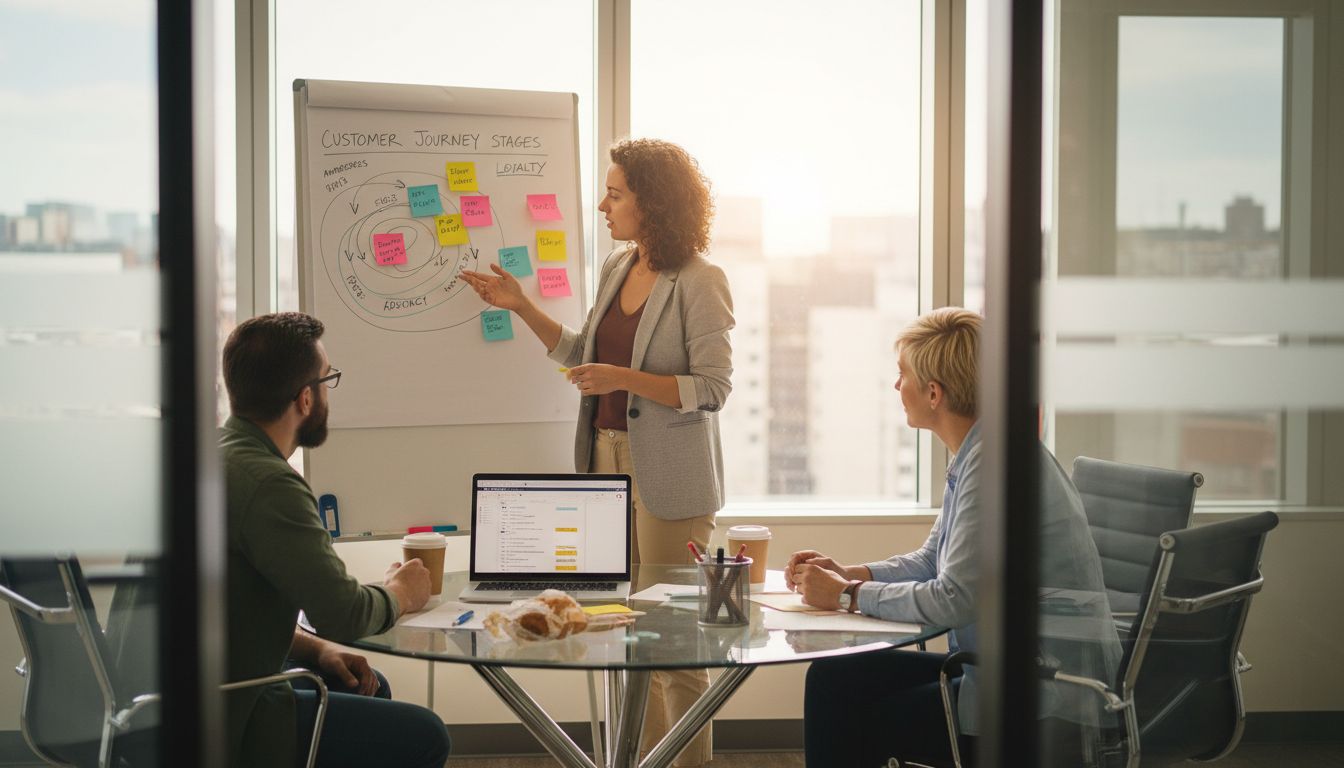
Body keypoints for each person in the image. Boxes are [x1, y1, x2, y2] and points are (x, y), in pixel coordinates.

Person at [461, 138, 733, 766]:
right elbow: (586, 354)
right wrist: (523, 306)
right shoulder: (617, 266)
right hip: (603, 465)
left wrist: (624, 379)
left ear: (654, 203)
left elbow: (712, 388)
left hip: (667, 476)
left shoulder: (700, 279)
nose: (605, 206)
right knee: (627, 637)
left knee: (674, 648)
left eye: (616, 194)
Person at [787, 308, 1120, 767]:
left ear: (934, 393)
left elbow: (953, 598)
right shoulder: (983, 451)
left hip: (1042, 698)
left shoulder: (991, 466)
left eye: (901, 374)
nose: (895, 386)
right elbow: (932, 561)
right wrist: (852, 574)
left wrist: (847, 596)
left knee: (854, 717)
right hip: (1005, 670)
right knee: (833, 678)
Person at [220, 312, 451, 768]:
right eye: (328, 380)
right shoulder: (268, 484)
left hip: (168, 695)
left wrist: (318, 649)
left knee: (365, 683)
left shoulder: (211, 456)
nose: (328, 391)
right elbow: (343, 614)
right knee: (427, 736)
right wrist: (401, 593)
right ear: (306, 398)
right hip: (228, 713)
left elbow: (232, 615)